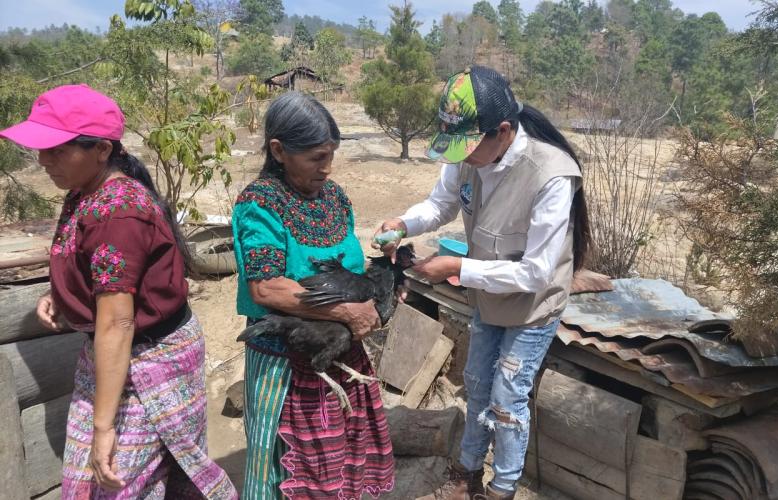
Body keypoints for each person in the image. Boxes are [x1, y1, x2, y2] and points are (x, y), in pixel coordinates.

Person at [0, 84, 237, 499]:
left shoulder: (117, 211)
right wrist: (63, 294)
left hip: (147, 356)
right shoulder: (83, 194)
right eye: (41, 148)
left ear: (103, 150)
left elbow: (118, 321)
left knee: (113, 483)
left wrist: (104, 427)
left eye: (57, 149)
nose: (42, 160)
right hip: (113, 354)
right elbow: (93, 269)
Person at [374, 66, 591, 500]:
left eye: (470, 147)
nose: (463, 158)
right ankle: (468, 469)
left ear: (504, 131)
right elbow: (440, 205)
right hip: (489, 297)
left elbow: (536, 272)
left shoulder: (551, 173)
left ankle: (503, 488)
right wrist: (403, 223)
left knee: (508, 396)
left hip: (533, 305)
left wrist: (455, 268)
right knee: (476, 382)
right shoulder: (470, 158)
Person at [232, 91, 394, 499]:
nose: (326, 168)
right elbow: (266, 286)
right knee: (289, 472)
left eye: (330, 156)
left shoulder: (335, 198)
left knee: (342, 467)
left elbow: (349, 266)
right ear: (279, 150)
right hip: (287, 361)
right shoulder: (260, 204)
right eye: (315, 158)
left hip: (341, 355)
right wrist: (348, 313)